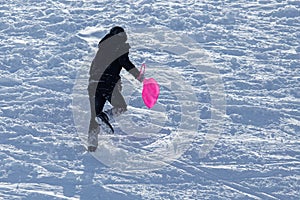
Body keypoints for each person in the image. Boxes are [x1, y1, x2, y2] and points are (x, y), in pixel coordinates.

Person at [87, 26, 143, 152]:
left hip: (93, 84)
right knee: (121, 106)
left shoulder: (101, 50)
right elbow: (124, 62)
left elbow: (92, 70)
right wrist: (138, 75)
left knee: (95, 116)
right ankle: (105, 116)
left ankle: (92, 145)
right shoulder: (119, 46)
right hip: (107, 83)